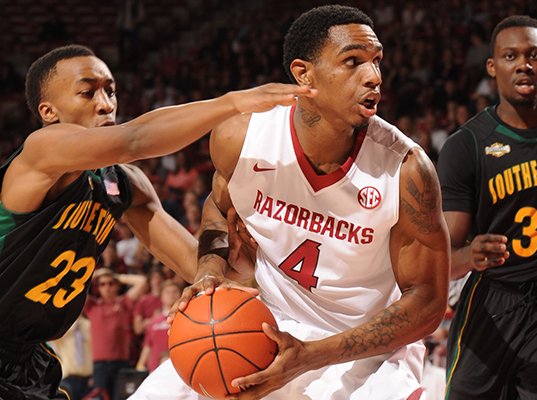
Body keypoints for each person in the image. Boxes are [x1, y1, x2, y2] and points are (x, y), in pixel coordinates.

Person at [132, 4, 450, 399]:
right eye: (353, 62)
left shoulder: (405, 170)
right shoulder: (242, 137)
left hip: (366, 351)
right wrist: (209, 268)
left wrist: (311, 356)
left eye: (376, 61)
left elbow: (428, 303)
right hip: (266, 326)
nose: (374, 77)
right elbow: (218, 204)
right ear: (304, 74)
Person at [0, 43, 314, 400]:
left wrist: (236, 272)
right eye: (87, 92)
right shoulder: (40, 150)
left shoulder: (123, 185)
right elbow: (134, 139)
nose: (105, 104)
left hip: (27, 361)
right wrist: (233, 103)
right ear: (48, 112)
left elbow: (198, 270)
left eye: (110, 90)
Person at [437, 15, 537, 399]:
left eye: (534, 54)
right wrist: (470, 257)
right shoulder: (468, 145)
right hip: (495, 300)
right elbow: (442, 257)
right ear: (492, 67)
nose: (524, 64)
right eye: (510, 56)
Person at [84, 268, 146, 400]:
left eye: (111, 283)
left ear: (117, 285)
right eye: (102, 284)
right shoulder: (92, 306)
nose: (107, 287)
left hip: (121, 364)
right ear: (97, 287)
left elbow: (142, 281)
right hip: (99, 366)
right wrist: (96, 274)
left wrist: (117, 276)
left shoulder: (123, 303)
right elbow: (77, 286)